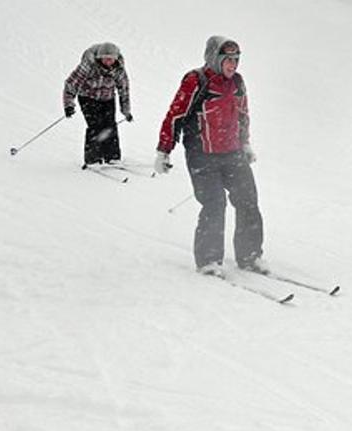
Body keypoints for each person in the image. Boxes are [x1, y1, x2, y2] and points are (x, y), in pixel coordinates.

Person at [154, 36, 266, 276]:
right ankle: (208, 261)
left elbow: (243, 115)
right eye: (228, 59)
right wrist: (164, 150)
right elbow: (175, 115)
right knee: (215, 203)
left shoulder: (237, 82)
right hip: (202, 155)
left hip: (233, 152)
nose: (233, 65)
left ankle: (250, 256)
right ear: (215, 58)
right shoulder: (196, 80)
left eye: (236, 60)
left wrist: (245, 144)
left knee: (248, 200)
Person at [62, 42, 132, 166]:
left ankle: (112, 156)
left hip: (107, 98)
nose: (108, 62)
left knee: (110, 125)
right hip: (87, 97)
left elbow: (124, 89)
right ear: (100, 57)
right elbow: (71, 84)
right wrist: (69, 104)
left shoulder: (119, 69)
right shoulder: (89, 65)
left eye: (111, 59)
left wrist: (126, 111)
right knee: (95, 125)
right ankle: (93, 158)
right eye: (105, 59)